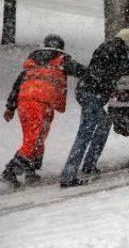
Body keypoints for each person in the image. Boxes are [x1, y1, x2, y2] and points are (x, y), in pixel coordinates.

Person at [59, 29, 129, 187]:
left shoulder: (106, 46)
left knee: (104, 123)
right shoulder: (121, 49)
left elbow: (113, 68)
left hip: (86, 90)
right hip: (92, 93)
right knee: (85, 133)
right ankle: (68, 176)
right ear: (128, 42)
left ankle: (89, 165)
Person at [1, 35, 86, 188]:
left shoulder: (32, 64)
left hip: (25, 102)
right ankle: (10, 171)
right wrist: (95, 73)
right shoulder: (61, 59)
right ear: (60, 47)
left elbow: (17, 85)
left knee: (35, 137)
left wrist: (10, 107)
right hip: (41, 102)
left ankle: (30, 170)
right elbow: (80, 70)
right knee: (35, 139)